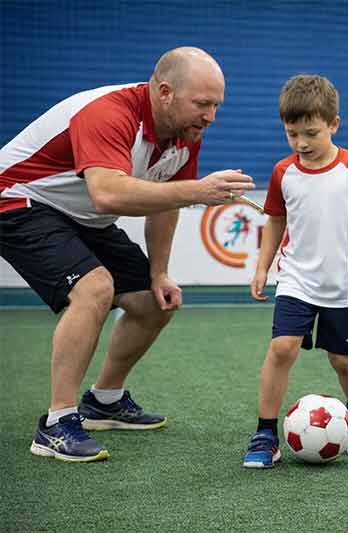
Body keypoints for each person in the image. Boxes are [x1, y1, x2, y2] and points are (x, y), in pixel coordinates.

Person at [0, 47, 255, 462]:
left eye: (216, 106)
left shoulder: (185, 134)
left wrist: (159, 274)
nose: (211, 117)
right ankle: (57, 424)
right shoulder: (108, 113)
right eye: (203, 104)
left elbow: (165, 205)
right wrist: (198, 190)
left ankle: (104, 401)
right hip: (17, 201)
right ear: (166, 92)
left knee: (153, 303)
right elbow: (108, 193)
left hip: (83, 217)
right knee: (94, 288)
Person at [243, 74, 348, 468]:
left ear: (334, 125)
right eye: (292, 134)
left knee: (342, 361)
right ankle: (264, 433)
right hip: (296, 277)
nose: (301, 143)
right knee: (282, 348)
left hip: (343, 283)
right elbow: (275, 220)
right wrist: (262, 267)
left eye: (310, 133)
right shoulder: (283, 172)